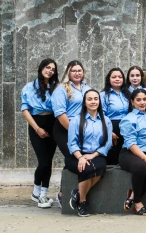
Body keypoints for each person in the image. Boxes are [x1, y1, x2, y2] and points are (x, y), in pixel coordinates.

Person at [66, 89, 113, 217]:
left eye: (96, 99)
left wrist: (93, 155)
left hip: (96, 154)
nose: (93, 102)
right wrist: (80, 157)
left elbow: (107, 143)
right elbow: (71, 143)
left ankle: (78, 193)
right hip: (76, 155)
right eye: (90, 99)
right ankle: (82, 202)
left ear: (99, 101)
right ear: (85, 102)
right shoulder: (76, 120)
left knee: (100, 167)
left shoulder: (106, 121)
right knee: (86, 169)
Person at [21, 59, 59, 208]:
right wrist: (37, 128)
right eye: (47, 67)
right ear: (41, 68)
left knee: (49, 161)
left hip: (53, 124)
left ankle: (43, 194)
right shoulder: (29, 87)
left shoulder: (56, 87)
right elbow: (25, 110)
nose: (50, 70)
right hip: (37, 124)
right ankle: (36, 191)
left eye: (53, 69)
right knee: (42, 161)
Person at [118, 89, 146, 216]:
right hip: (130, 152)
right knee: (140, 166)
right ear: (132, 102)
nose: (142, 102)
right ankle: (137, 202)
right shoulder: (128, 119)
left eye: (144, 99)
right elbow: (131, 143)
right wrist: (144, 158)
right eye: (138, 100)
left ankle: (132, 195)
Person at [51, 60, 91, 159]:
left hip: (84, 127)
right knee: (73, 157)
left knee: (84, 157)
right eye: (73, 71)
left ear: (83, 72)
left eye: (79, 70)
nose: (77, 73)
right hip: (65, 127)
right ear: (68, 73)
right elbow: (60, 114)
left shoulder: (87, 88)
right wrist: (74, 132)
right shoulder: (61, 89)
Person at [100, 67, 130, 165]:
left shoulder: (128, 94)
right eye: (114, 77)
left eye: (120, 77)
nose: (117, 79)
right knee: (112, 156)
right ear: (109, 79)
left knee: (125, 154)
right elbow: (101, 115)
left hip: (126, 127)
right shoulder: (103, 95)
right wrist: (109, 131)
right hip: (111, 127)